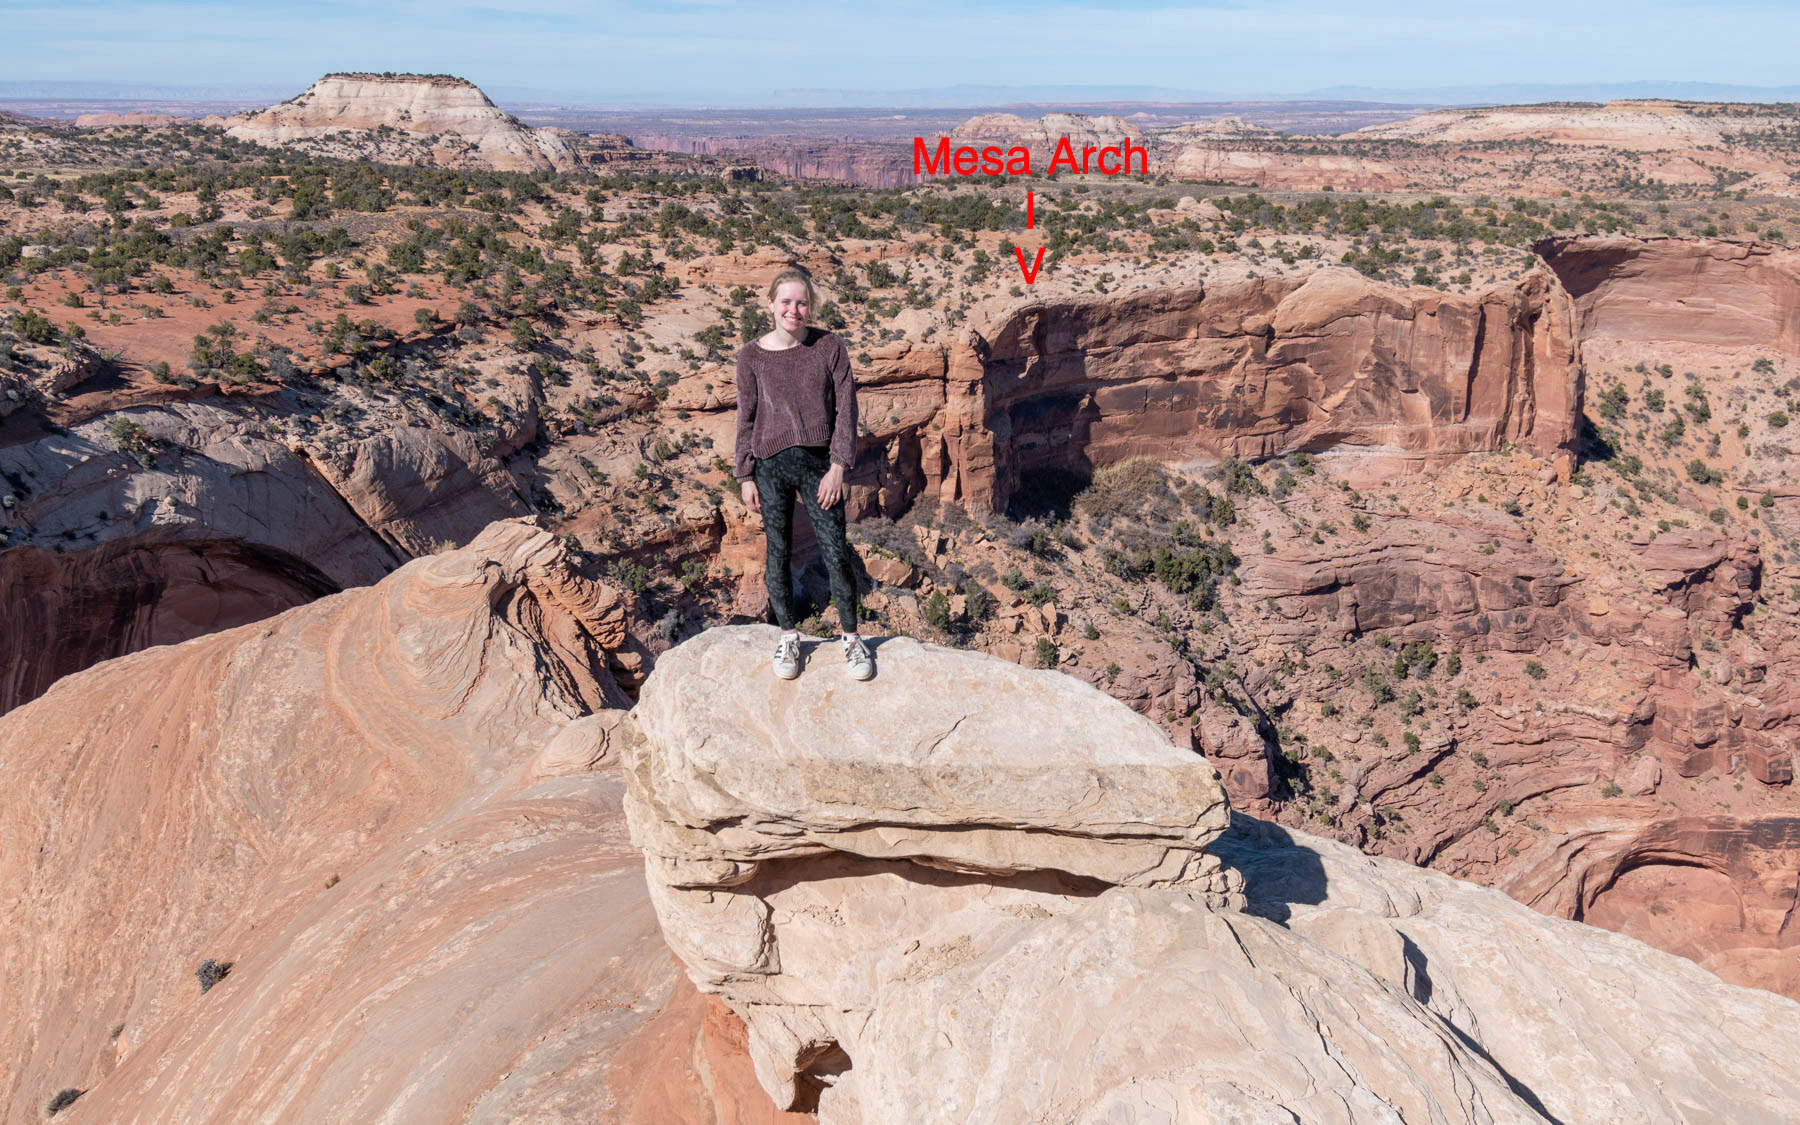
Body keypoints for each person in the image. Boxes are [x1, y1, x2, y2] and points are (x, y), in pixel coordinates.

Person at [734, 266, 873, 681]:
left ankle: (851, 639)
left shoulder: (829, 347)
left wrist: (838, 467)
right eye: (786, 302)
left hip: (819, 467)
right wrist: (744, 476)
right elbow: (746, 417)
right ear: (771, 305)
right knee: (778, 553)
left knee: (835, 552)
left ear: (810, 306)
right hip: (770, 468)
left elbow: (846, 409)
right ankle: (789, 637)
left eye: (801, 303)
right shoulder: (751, 356)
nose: (793, 310)